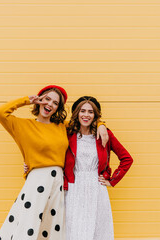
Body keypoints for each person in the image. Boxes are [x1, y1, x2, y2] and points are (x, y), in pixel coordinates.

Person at [0, 86, 108, 240]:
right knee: (29, 221)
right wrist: (27, 100)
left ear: (58, 108)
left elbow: (85, 121)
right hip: (37, 181)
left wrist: (101, 125)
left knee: (51, 225)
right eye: (47, 99)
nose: (50, 104)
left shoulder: (62, 126)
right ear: (40, 100)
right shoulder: (22, 125)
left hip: (58, 182)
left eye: (55, 103)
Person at [64, 96, 134, 240]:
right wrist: (31, 164)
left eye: (90, 112)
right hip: (73, 187)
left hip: (96, 187)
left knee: (97, 228)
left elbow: (127, 159)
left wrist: (112, 180)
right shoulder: (68, 133)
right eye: (82, 111)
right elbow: (48, 147)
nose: (86, 115)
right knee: (72, 227)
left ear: (95, 115)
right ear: (76, 113)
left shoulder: (104, 134)